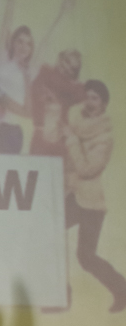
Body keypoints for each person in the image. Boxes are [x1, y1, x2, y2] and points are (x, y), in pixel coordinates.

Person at [61, 81, 126, 313]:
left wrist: (71, 139)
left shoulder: (104, 137)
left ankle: (123, 290)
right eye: (87, 97)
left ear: (104, 104)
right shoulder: (76, 123)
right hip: (72, 195)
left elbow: (87, 169)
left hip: (91, 203)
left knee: (85, 256)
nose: (89, 102)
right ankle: (59, 293)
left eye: (95, 98)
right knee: (49, 231)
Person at [0, 0, 76, 154]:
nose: (24, 46)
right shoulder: (3, 61)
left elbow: (47, 41)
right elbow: (6, 23)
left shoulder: (29, 70)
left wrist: (62, 12)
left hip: (22, 129)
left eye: (28, 43)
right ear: (13, 42)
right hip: (1, 126)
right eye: (20, 41)